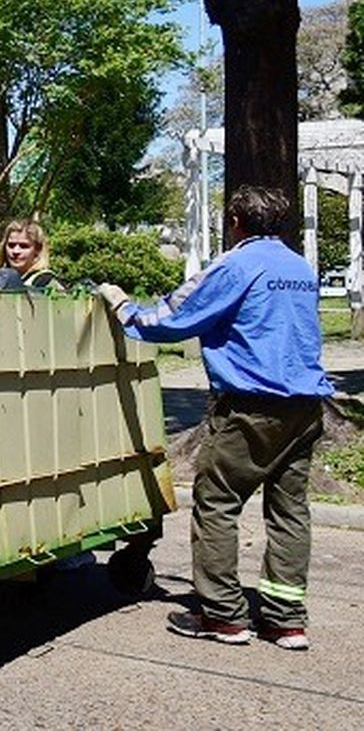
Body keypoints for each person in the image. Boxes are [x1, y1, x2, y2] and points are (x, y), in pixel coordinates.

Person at [96, 186, 330, 650]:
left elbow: (174, 317)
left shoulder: (236, 264)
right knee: (289, 511)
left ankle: (223, 615)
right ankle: (286, 620)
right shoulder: (299, 268)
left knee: (217, 501)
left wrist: (123, 306)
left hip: (251, 406)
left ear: (235, 222)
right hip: (304, 407)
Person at [0, 218, 61, 289]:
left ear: (38, 249)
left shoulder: (47, 282)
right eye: (11, 245)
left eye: (24, 246)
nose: (16, 251)